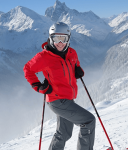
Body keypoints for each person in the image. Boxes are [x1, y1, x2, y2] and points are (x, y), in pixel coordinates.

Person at [23, 22, 96, 150]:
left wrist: (77, 69)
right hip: (57, 100)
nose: (60, 42)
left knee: (64, 132)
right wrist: (38, 86)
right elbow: (28, 69)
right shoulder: (44, 57)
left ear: (68, 39)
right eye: (56, 38)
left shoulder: (72, 52)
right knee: (88, 121)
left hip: (67, 98)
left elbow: (74, 62)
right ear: (51, 38)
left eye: (64, 38)